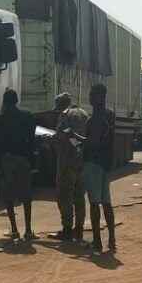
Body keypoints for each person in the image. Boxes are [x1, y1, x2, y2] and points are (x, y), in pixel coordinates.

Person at [0, 89, 37, 241]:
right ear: (17, 100)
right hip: (24, 160)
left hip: (7, 160)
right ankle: (29, 230)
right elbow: (32, 141)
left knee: (8, 196)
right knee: (26, 197)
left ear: (4, 102)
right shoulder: (28, 117)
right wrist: (32, 161)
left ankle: (14, 229)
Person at [82, 84, 116, 252]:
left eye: (91, 94)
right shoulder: (110, 115)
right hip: (105, 164)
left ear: (98, 97)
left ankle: (97, 241)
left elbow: (93, 142)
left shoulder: (95, 118)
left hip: (93, 163)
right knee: (106, 203)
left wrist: (75, 137)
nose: (89, 98)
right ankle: (111, 239)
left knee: (94, 204)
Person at [50, 94, 89, 241]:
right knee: (79, 197)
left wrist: (52, 139)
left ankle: (67, 229)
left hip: (67, 161)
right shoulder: (84, 114)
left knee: (64, 196)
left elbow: (65, 136)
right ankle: (79, 229)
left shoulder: (65, 115)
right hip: (82, 162)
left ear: (61, 105)